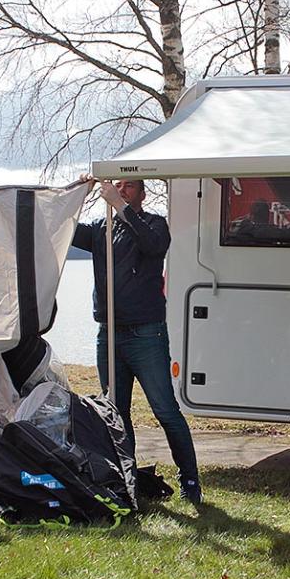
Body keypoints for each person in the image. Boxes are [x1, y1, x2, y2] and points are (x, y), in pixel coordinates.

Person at [73, 176, 203, 504]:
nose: (121, 190)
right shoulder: (101, 228)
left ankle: (190, 481)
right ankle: (127, 481)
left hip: (145, 333)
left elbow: (153, 246)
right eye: (118, 185)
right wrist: (77, 194)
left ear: (143, 194)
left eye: (129, 186)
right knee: (116, 413)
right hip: (109, 333)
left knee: (165, 409)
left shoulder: (155, 224)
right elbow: (65, 230)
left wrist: (119, 205)